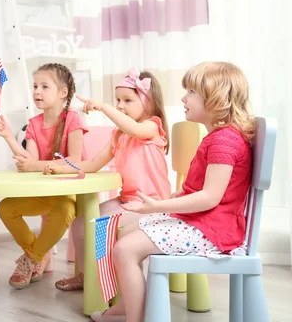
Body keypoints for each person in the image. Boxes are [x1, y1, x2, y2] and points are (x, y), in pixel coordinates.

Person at [91, 62, 255, 322]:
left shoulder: (224, 141)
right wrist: (167, 202)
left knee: (124, 249)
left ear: (215, 99)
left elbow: (210, 197)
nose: (183, 97)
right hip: (205, 223)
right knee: (127, 231)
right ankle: (125, 305)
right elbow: (198, 189)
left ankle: (136, 318)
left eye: (190, 91)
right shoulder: (218, 137)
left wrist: (157, 207)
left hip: (211, 229)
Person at [44, 68, 171, 291]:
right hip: (127, 200)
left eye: (127, 100)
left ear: (149, 102)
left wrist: (104, 106)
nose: (120, 105)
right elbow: (93, 164)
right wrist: (62, 167)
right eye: (117, 100)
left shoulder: (152, 126)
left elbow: (136, 129)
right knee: (80, 224)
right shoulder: (119, 135)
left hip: (153, 205)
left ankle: (115, 285)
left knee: (100, 227)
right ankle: (85, 275)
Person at [0, 63, 87, 288]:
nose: (37, 91)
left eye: (45, 87)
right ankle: (37, 255)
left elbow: (75, 161)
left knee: (65, 210)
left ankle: (30, 259)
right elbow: (30, 159)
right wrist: (8, 136)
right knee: (6, 208)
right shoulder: (33, 124)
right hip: (44, 192)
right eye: (35, 86)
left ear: (62, 93)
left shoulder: (72, 119)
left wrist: (37, 166)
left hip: (67, 192)